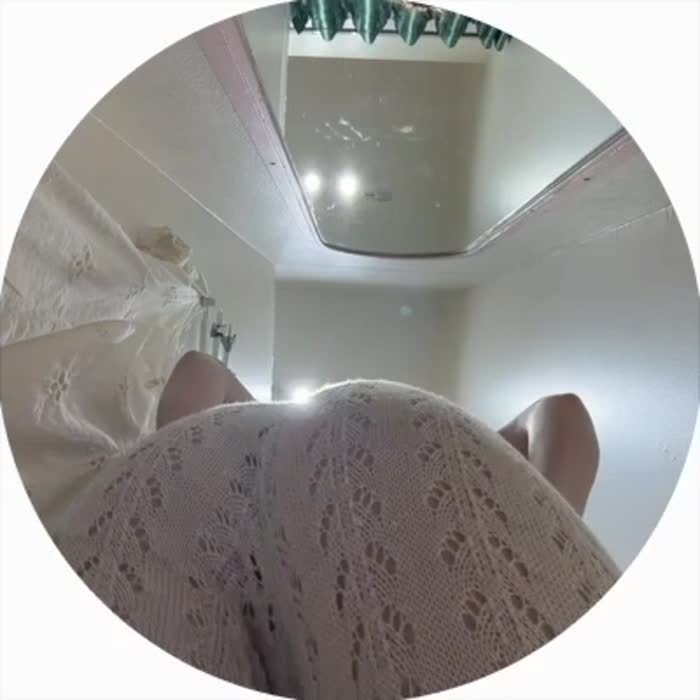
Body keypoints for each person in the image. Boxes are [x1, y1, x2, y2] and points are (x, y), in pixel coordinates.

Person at [52, 350, 618, 699]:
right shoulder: (272, 427)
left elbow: (563, 410)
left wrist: (534, 534)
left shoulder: (440, 474)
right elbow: (563, 411)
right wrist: (538, 540)